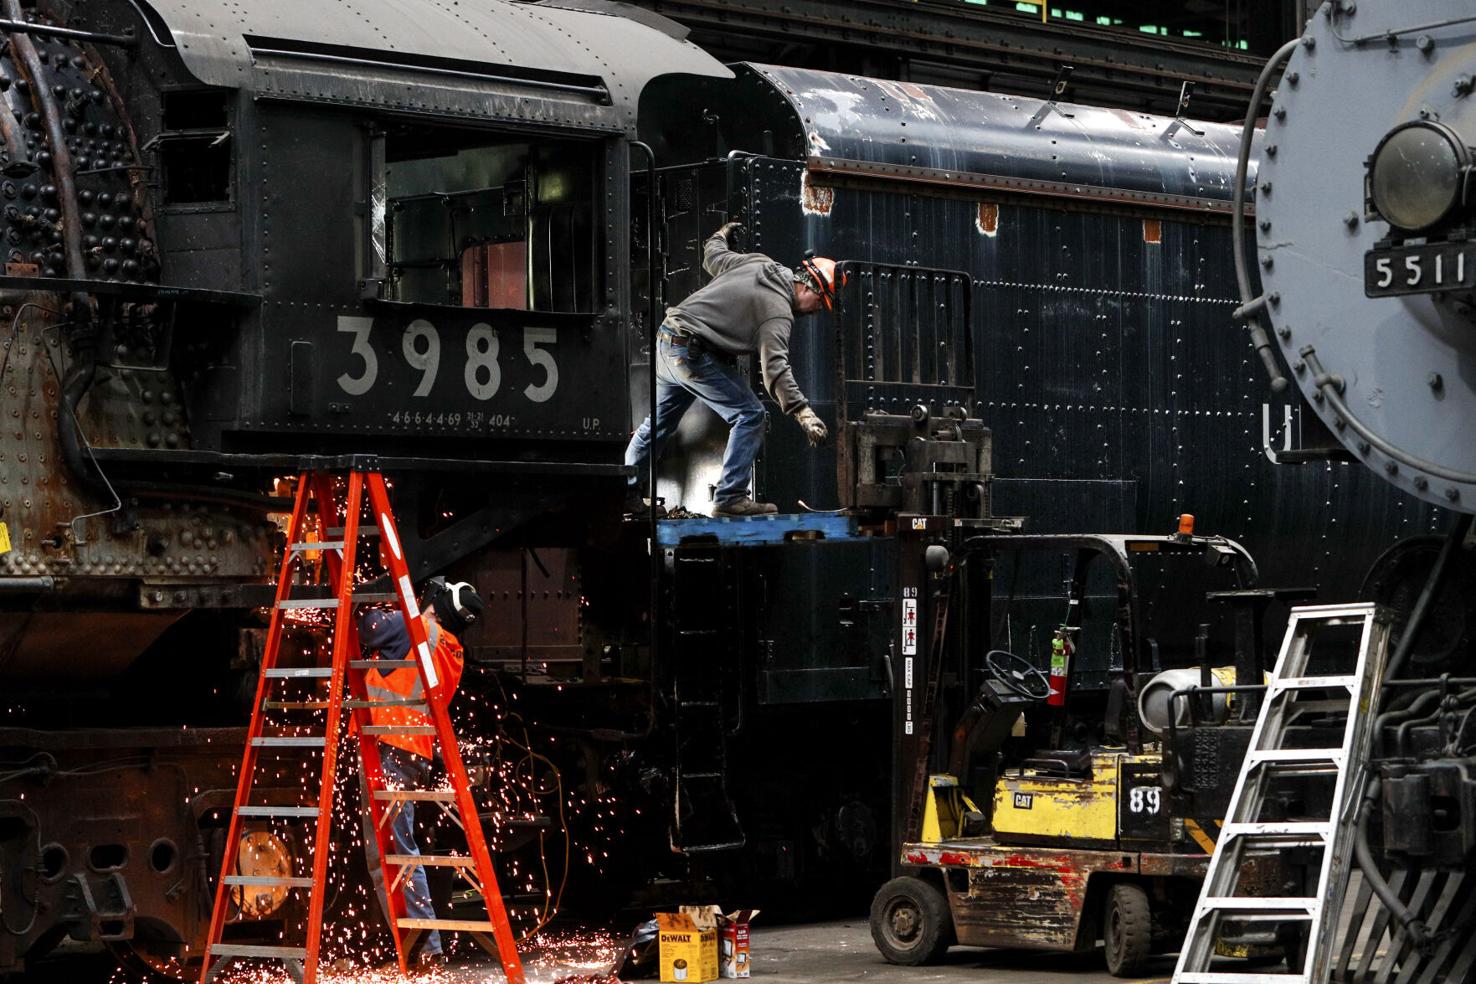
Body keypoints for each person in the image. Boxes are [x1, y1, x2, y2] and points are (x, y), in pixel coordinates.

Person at [624, 221, 836, 517]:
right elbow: (775, 368)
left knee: (658, 423)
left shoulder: (759, 263)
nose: (817, 310)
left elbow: (713, 256)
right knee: (750, 415)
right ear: (807, 285)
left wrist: (720, 235)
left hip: (667, 341)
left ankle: (626, 493)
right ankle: (730, 497)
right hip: (691, 353)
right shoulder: (777, 312)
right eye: (821, 301)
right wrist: (804, 413)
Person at [357, 579, 485, 969]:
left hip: (390, 751)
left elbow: (368, 626)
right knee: (395, 854)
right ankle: (415, 949)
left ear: (437, 604)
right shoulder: (452, 648)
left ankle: (425, 950)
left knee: (393, 857)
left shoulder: (417, 627)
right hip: (412, 754)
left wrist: (373, 600)